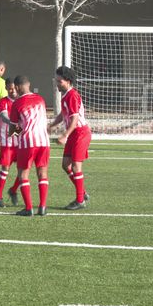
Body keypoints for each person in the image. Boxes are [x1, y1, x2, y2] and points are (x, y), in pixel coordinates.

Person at [8, 75, 50, 217]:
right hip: (44, 141)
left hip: (28, 142)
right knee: (42, 174)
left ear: (18, 87)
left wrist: (18, 133)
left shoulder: (17, 103)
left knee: (23, 175)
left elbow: (13, 129)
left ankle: (28, 208)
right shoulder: (41, 99)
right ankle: (43, 207)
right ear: (29, 84)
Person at [50, 66, 91, 210]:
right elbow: (63, 114)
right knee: (65, 165)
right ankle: (82, 192)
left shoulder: (72, 95)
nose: (57, 83)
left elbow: (74, 119)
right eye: (56, 80)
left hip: (80, 132)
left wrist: (64, 135)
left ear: (68, 81)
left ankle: (80, 200)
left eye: (59, 81)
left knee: (75, 166)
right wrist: (52, 125)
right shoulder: (65, 95)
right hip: (74, 133)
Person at [0, 78, 20, 207]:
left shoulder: (22, 101)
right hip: (7, 141)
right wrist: (13, 123)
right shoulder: (3, 101)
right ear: (6, 88)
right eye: (10, 88)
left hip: (21, 142)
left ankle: (14, 190)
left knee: (23, 169)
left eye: (14, 88)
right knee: (5, 168)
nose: (13, 90)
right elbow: (4, 115)